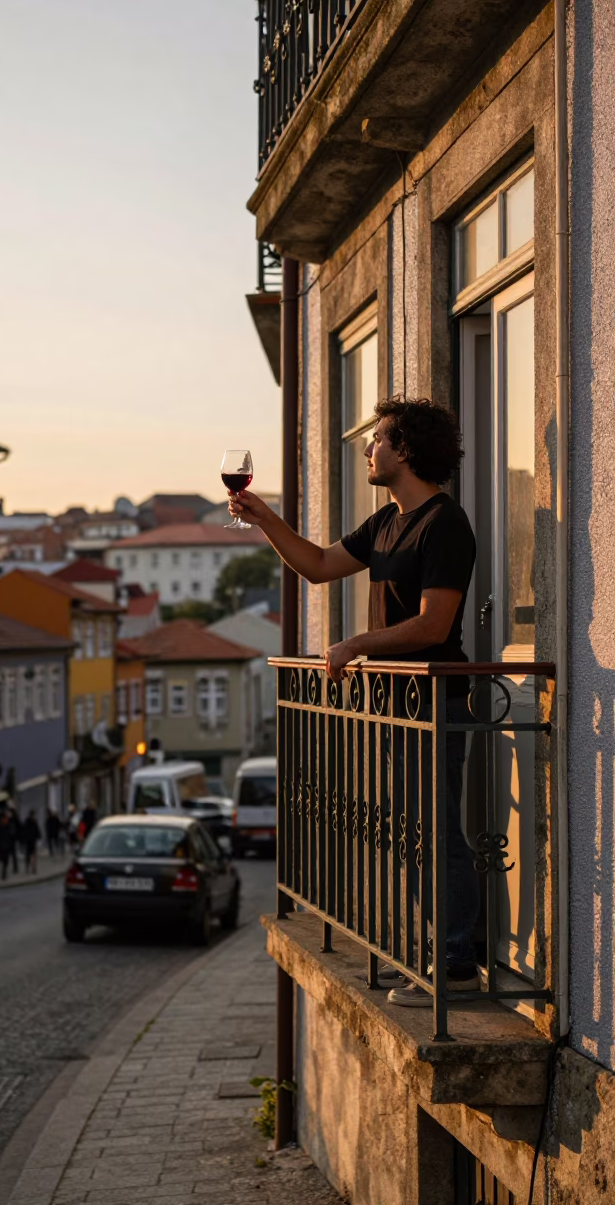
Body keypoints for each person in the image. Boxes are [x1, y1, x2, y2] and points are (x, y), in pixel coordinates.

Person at [228, 396, 479, 1008]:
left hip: (433, 700)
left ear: (407, 450)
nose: (368, 449)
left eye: (378, 440)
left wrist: (357, 644)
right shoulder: (385, 522)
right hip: (395, 704)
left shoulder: (445, 522)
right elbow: (315, 566)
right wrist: (264, 519)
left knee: (438, 833)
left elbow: (433, 625)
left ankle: (458, 966)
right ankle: (433, 954)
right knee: (415, 831)